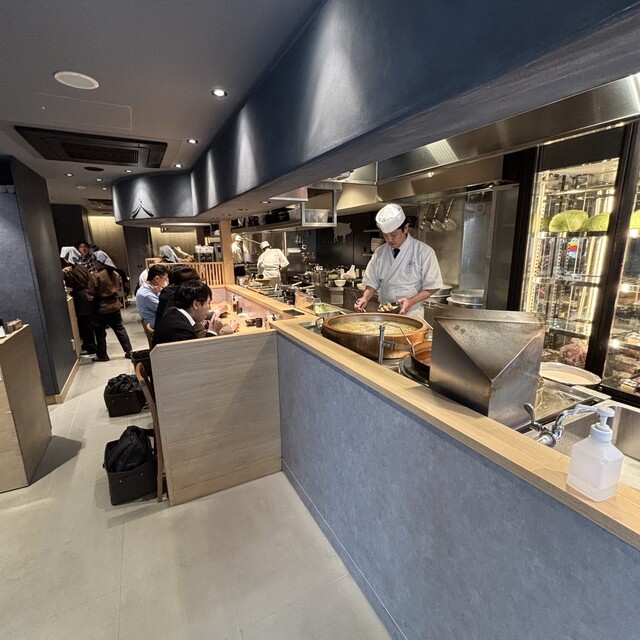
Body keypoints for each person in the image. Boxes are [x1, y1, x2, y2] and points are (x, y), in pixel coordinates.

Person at [354, 204, 443, 319]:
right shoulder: (380, 252)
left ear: (405, 228)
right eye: (385, 236)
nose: (389, 240)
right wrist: (365, 298)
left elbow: (433, 286)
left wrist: (410, 301)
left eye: (393, 235)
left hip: (411, 314)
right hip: (384, 312)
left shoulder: (424, 252)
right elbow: (372, 282)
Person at [153, 281, 238, 345]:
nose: (210, 308)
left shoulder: (173, 312)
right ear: (196, 304)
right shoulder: (179, 330)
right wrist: (213, 331)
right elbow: (200, 354)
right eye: (208, 303)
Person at [87, 253, 133, 361]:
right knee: (119, 328)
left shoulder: (96, 275)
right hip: (114, 305)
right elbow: (119, 287)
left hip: (101, 307)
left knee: (100, 332)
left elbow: (90, 292)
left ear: (99, 262)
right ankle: (129, 351)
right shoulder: (115, 274)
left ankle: (102, 355)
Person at [60, 246, 97, 355]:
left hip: (79, 297)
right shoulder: (82, 267)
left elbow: (69, 285)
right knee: (88, 323)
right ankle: (89, 344)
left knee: (84, 323)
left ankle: (90, 346)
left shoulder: (69, 270)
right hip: (86, 295)